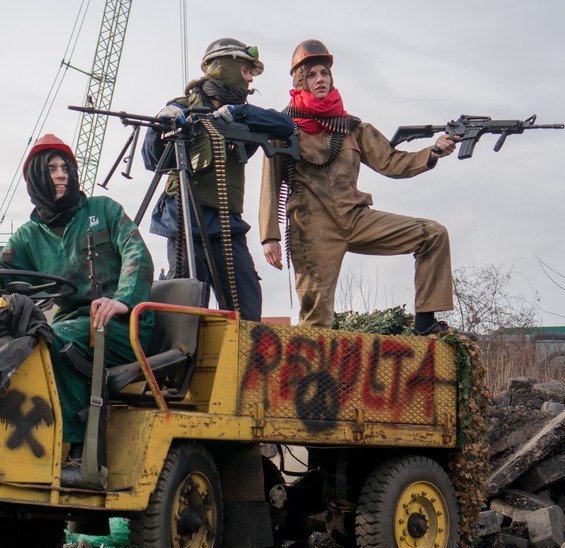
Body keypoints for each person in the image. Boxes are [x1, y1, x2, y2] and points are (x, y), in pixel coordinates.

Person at [0, 134, 154, 479]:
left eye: (65, 167)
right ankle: (9, 442)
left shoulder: (104, 210)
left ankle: (73, 453)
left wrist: (121, 300)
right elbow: (2, 271)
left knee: (52, 340)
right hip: (71, 323)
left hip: (121, 324)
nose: (61, 174)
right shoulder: (29, 235)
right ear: (37, 177)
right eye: (52, 168)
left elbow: (136, 254)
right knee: (9, 342)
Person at [259, 39, 458, 335]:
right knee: (316, 323)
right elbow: (270, 184)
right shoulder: (284, 127)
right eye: (312, 75)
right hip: (313, 230)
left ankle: (426, 324)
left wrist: (432, 153)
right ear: (301, 80)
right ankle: (312, 379)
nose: (320, 80)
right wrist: (269, 236)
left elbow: (391, 162)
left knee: (433, 234)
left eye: (324, 73)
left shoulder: (353, 128)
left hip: (356, 218)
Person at [143, 38, 294, 322]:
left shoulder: (243, 114)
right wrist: (158, 127)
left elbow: (286, 126)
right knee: (185, 315)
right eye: (246, 70)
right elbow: (151, 160)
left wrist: (239, 113)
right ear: (225, 67)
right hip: (185, 223)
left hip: (227, 226)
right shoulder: (182, 107)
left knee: (247, 308)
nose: (250, 79)